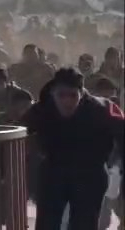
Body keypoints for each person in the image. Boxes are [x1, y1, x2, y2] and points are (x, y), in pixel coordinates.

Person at [22, 68, 124, 229]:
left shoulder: (103, 109)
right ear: (53, 93)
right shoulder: (41, 109)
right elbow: (17, 132)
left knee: (84, 224)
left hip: (90, 172)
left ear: (81, 93)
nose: (67, 101)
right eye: (61, 95)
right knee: (47, 223)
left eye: (72, 95)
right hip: (53, 170)